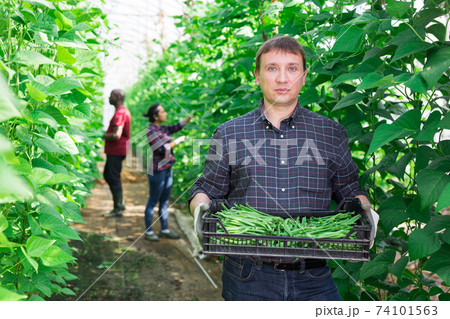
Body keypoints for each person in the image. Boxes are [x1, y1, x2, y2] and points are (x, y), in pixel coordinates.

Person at [189, 36, 374, 301]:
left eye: (292, 68)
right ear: (257, 76)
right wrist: (200, 208)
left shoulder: (330, 132)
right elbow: (207, 188)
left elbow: (349, 189)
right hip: (248, 275)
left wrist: (366, 210)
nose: (282, 78)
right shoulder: (229, 132)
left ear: (304, 76)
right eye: (272, 68)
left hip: (314, 276)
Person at [143, 103, 192, 241]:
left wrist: (189, 117)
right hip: (157, 170)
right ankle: (149, 232)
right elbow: (161, 149)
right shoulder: (151, 131)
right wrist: (177, 141)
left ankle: (164, 229)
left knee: (164, 201)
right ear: (155, 116)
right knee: (153, 201)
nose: (165, 114)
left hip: (167, 168)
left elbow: (176, 126)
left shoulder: (163, 128)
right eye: (162, 112)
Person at [103, 89, 131, 217]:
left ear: (118, 97)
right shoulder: (122, 111)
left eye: (111, 95)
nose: (109, 97)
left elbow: (116, 135)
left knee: (113, 178)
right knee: (108, 175)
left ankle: (118, 208)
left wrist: (103, 135)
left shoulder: (120, 113)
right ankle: (120, 203)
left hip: (116, 150)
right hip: (116, 150)